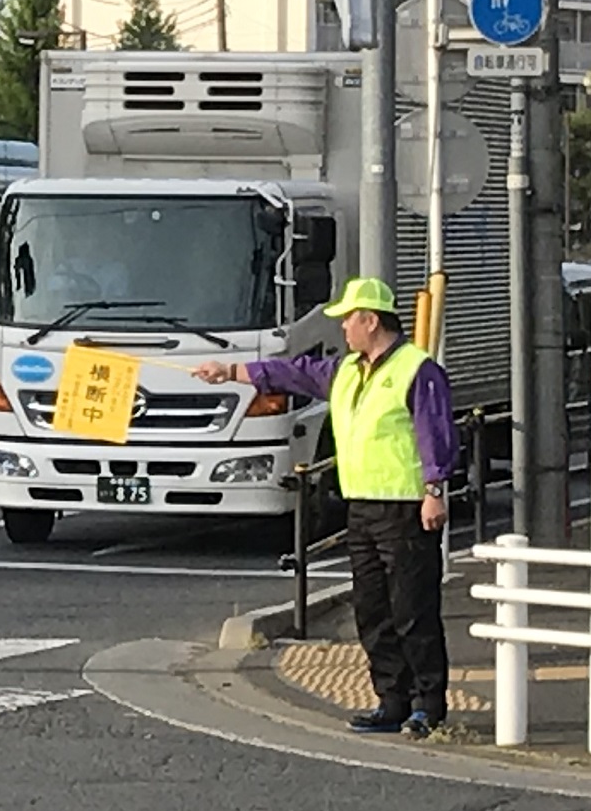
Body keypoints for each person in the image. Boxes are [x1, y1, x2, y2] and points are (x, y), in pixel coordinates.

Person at [196, 276, 458, 737]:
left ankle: (427, 705)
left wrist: (435, 490)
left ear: (370, 320)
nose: (342, 330)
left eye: (348, 321)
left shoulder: (417, 370)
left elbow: (434, 432)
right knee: (371, 610)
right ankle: (391, 699)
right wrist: (231, 372)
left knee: (412, 608)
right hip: (361, 506)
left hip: (405, 507)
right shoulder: (346, 371)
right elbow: (290, 372)